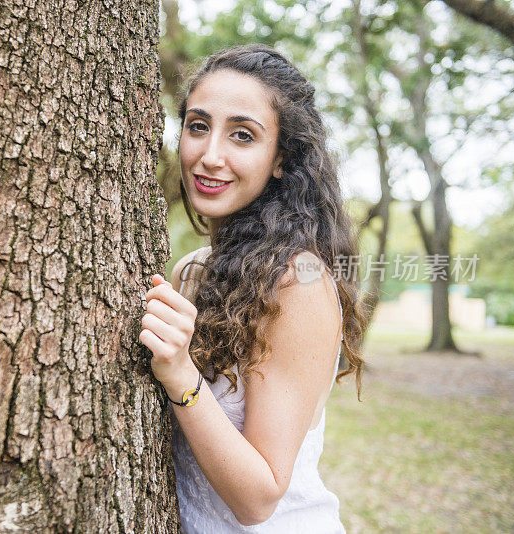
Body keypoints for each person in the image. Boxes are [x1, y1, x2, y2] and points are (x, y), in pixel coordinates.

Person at [138, 44, 367, 533]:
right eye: (198, 126)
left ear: (280, 159)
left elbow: (259, 498)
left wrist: (179, 373)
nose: (210, 155)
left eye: (242, 135)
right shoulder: (192, 271)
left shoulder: (298, 282)